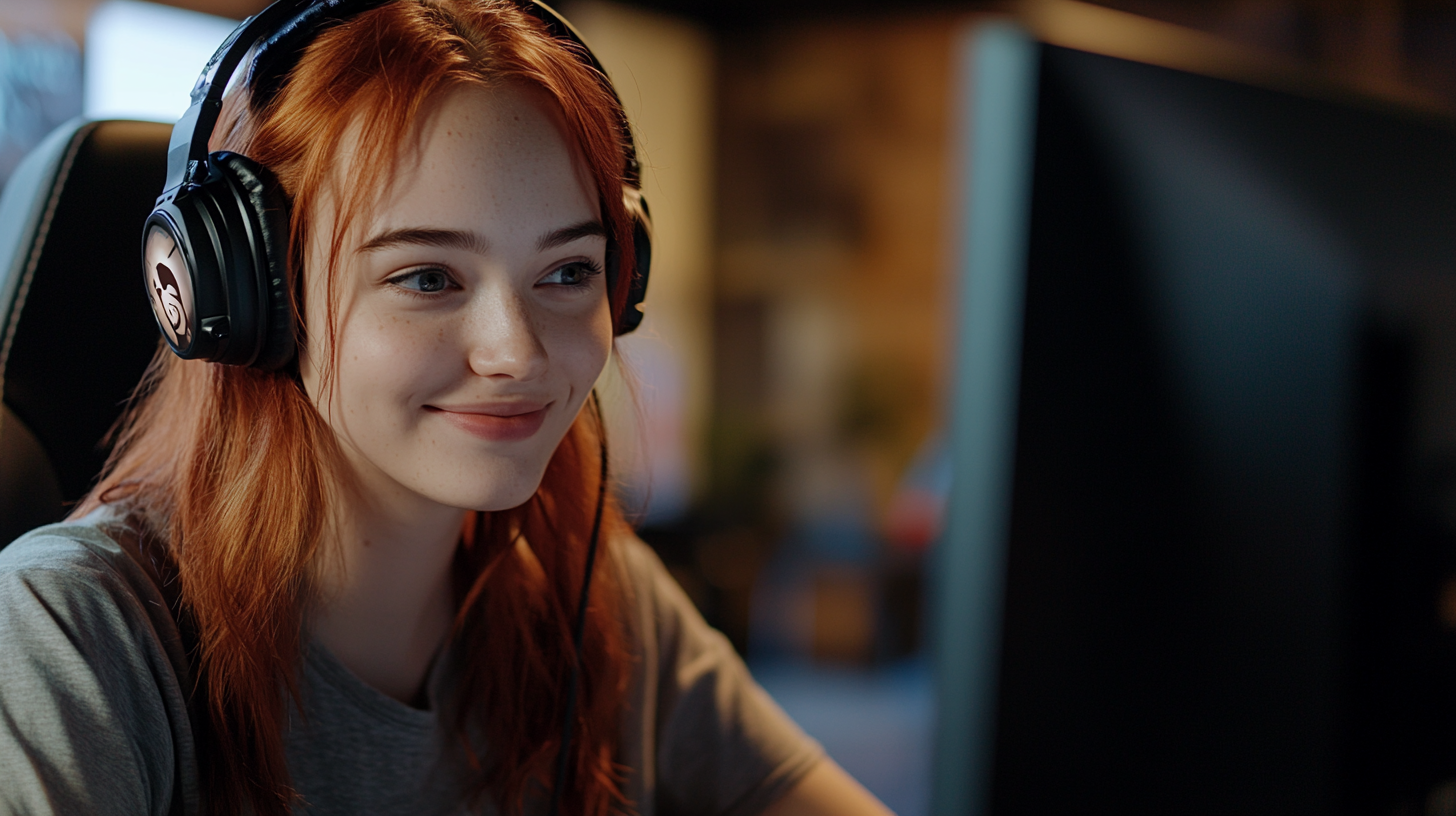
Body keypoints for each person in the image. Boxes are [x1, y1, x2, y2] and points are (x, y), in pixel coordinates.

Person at [0, 2, 895, 815]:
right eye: (427, 277)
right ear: (251, 300)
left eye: (568, 271)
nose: (516, 351)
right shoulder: (74, 640)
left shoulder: (596, 600)